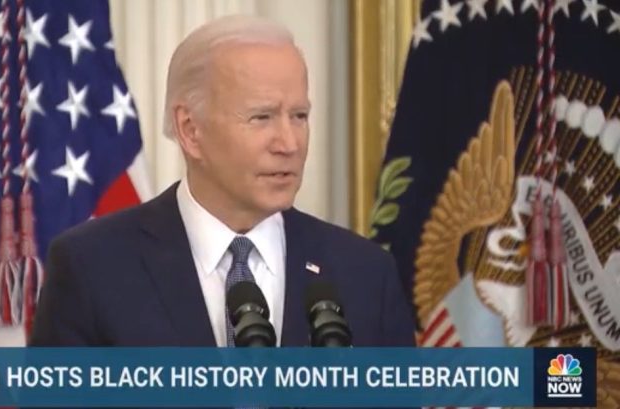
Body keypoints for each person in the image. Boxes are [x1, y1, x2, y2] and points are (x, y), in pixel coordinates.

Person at [30, 15, 415, 348]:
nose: (289, 143)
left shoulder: (366, 275)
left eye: (299, 116)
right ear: (190, 129)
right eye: (262, 117)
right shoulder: (92, 268)